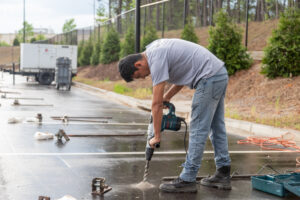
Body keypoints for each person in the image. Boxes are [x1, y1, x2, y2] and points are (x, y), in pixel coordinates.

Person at [118, 38, 231, 193]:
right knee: (216, 127)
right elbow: (183, 76)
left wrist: (156, 136)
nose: (143, 77)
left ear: (138, 64)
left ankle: (188, 178)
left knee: (198, 128)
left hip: (209, 77)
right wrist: (168, 96)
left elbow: (156, 105)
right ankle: (223, 173)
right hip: (218, 73)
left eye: (139, 75)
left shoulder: (155, 59)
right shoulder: (154, 49)